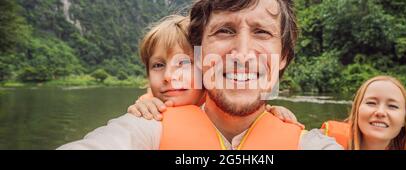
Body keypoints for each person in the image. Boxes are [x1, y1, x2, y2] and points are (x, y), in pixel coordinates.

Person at [58, 0, 342, 150]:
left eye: (262, 32)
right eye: (224, 31)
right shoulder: (146, 127)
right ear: (198, 54)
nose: (242, 54)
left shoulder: (308, 143)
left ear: (282, 57)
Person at [321, 75, 406, 150]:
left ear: (405, 120)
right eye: (371, 103)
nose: (380, 112)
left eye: (392, 106)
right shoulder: (323, 142)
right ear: (356, 111)